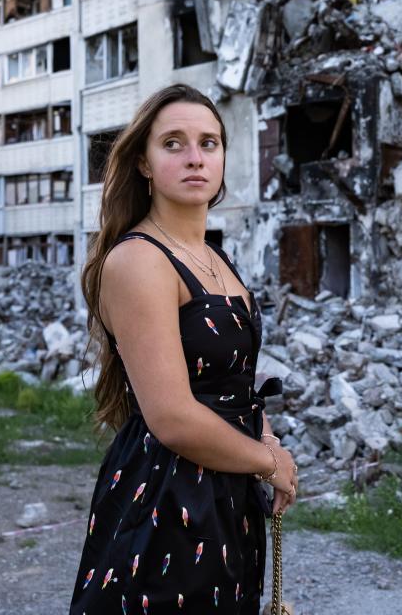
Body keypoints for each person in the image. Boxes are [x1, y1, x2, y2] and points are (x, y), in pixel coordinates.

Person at [69, 84, 297, 614]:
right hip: (168, 496)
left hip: (226, 491)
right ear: (145, 163)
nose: (195, 157)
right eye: (173, 143)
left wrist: (264, 437)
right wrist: (268, 462)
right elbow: (170, 416)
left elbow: (234, 381)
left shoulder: (215, 256)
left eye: (209, 143)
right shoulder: (140, 261)